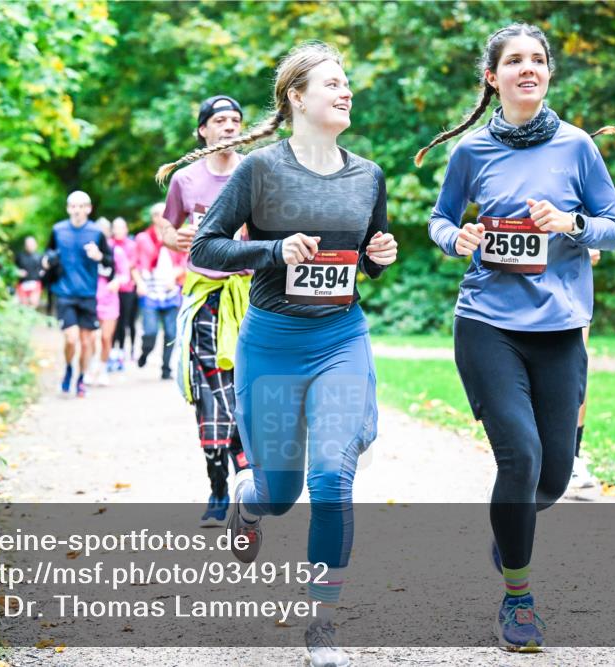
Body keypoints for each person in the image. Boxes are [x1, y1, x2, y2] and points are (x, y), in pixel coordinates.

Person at [184, 42, 397, 667]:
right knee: (280, 494)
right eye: (332, 82)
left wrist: (376, 259)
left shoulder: (369, 175)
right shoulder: (259, 172)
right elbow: (206, 249)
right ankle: (250, 498)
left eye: (348, 82)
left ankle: (321, 620)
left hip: (340, 339)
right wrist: (273, 253)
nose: (346, 90)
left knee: (332, 476)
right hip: (272, 345)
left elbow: (365, 258)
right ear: (296, 98)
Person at [417, 24, 615, 652]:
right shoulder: (472, 152)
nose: (527, 69)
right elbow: (439, 219)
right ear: (493, 77)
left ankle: (511, 530)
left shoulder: (578, 146)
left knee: (553, 478)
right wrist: (460, 239)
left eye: (538, 60)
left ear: (549, 73)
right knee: (522, 456)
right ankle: (519, 598)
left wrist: (573, 224)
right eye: (514, 61)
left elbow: (613, 228)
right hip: (486, 324)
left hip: (559, 329)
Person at [157, 94, 252, 528]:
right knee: (214, 396)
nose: (229, 126)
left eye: (236, 120)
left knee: (247, 391)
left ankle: (244, 483)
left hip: (251, 297)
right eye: (220, 120)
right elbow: (166, 223)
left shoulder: (257, 172)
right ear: (203, 130)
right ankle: (222, 485)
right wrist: (171, 238)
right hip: (207, 298)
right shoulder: (186, 180)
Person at [44, 190, 114, 398]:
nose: (77, 210)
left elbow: (110, 263)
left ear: (88, 209)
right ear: (68, 208)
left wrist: (99, 255)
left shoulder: (96, 233)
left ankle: (81, 378)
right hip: (65, 293)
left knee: (86, 342)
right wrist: (48, 260)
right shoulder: (58, 230)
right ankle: (68, 369)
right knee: (71, 338)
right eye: (73, 206)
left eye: (81, 206)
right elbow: (47, 253)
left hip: (87, 294)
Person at [135, 202, 186, 380]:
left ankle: (166, 368)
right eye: (157, 214)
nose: (161, 217)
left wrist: (175, 275)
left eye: (164, 214)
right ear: (153, 217)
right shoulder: (142, 238)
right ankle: (144, 352)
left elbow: (185, 262)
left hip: (170, 292)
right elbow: (133, 264)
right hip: (150, 291)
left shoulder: (177, 236)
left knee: (171, 333)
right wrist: (139, 283)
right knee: (150, 332)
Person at [567, 248, 603, 498]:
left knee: (576, 365)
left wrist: (589, 239)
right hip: (518, 283)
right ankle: (521, 458)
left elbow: (604, 224)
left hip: (570, 283)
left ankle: (572, 457)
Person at [91, 217, 129, 386]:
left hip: (109, 300)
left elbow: (125, 274)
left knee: (106, 337)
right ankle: (90, 369)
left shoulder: (116, 251)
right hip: (90, 299)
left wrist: (117, 281)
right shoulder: (88, 251)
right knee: (91, 338)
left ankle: (103, 369)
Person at [110, 217, 141, 370]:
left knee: (126, 322)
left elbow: (133, 264)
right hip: (112, 290)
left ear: (126, 229)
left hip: (128, 289)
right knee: (112, 322)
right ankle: (113, 352)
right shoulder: (109, 244)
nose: (118, 230)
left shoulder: (131, 245)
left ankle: (125, 351)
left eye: (121, 227)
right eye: (115, 227)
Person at [14, 236, 43, 308]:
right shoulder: (19, 256)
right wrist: (18, 272)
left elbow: (44, 269)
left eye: (32, 244)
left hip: (35, 282)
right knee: (23, 305)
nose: (30, 246)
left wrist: (42, 272)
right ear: (25, 245)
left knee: (33, 303)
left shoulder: (40, 257)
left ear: (36, 245)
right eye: (28, 244)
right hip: (23, 283)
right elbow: (13, 268)